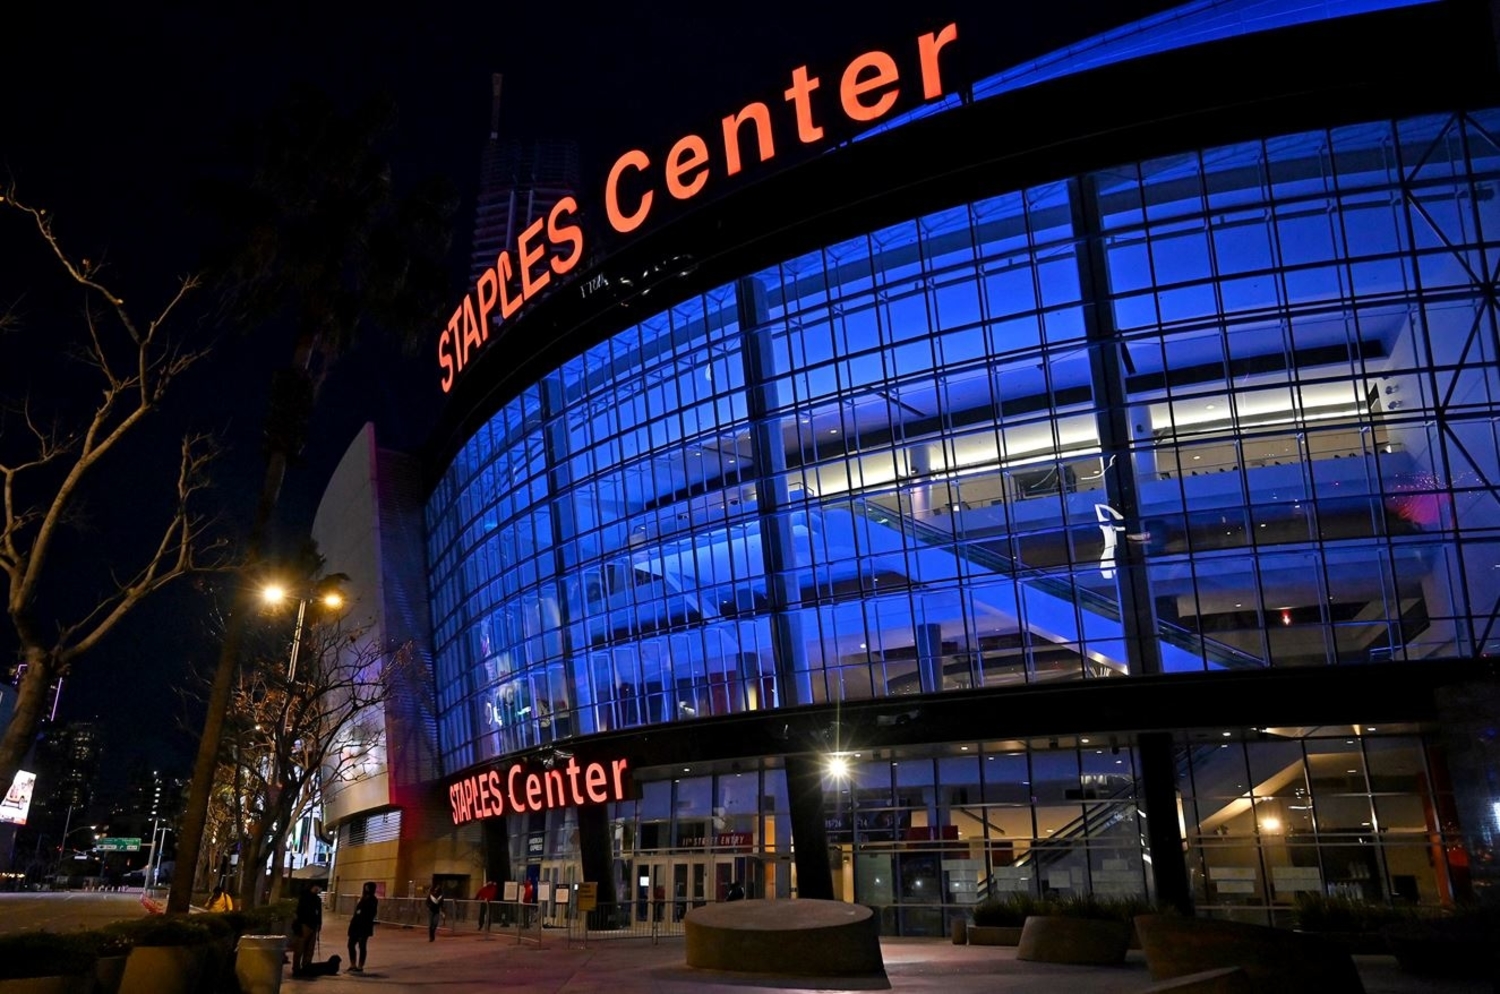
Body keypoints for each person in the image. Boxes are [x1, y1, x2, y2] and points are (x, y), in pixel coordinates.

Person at [291, 883, 324, 976]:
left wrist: (319, 924)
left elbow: (319, 913)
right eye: (315, 887)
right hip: (304, 924)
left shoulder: (317, 899)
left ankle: (306, 966)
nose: (317, 889)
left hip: (314, 925)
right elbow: (299, 911)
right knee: (300, 947)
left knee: (310, 948)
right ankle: (296, 968)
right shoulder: (304, 897)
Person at [346, 881, 378, 974]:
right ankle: (353, 964)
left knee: (362, 946)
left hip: (364, 926)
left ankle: (360, 966)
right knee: (351, 944)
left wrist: (362, 914)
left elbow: (371, 913)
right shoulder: (363, 898)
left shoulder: (373, 899)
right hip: (356, 924)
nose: (366, 889)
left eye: (368, 887)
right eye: (365, 887)